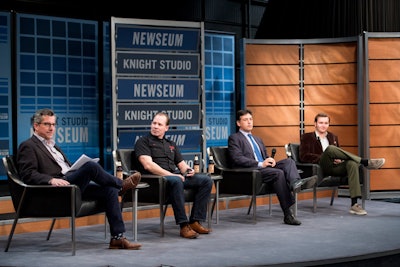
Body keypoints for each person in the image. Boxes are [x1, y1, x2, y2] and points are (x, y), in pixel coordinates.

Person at [17, 108, 142, 250]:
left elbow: (63, 168)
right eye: (47, 124)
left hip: (70, 184)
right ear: (36, 125)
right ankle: (121, 184)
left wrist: (75, 169)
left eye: (53, 124)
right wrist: (50, 180)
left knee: (109, 190)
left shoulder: (52, 145)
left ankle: (118, 238)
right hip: (55, 191)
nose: (51, 128)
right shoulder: (28, 146)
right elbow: (27, 174)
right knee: (90, 167)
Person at [228, 109, 317, 226]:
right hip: (251, 171)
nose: (249, 122)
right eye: (245, 120)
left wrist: (270, 160)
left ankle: (296, 183)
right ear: (238, 123)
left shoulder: (257, 139)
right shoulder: (234, 138)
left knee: (289, 162)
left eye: (250, 119)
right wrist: (260, 164)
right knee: (279, 173)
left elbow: (265, 157)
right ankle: (287, 214)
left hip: (264, 168)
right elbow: (237, 159)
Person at [134, 112, 213, 239]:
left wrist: (188, 170)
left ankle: (195, 221)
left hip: (173, 177)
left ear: (166, 128)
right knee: (176, 181)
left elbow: (181, 165)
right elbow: (148, 165)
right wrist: (172, 175)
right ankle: (183, 225)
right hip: (155, 182)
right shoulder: (143, 142)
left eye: (159, 124)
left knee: (206, 180)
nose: (155, 126)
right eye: (154, 123)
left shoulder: (170, 144)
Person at [299, 112, 385, 216]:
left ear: (328, 124)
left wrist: (339, 159)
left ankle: (354, 205)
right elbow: (304, 156)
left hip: (334, 167)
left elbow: (339, 153)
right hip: (320, 167)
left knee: (352, 163)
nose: (323, 125)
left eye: (326, 123)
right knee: (330, 149)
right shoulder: (307, 137)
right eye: (321, 122)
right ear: (315, 124)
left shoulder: (333, 137)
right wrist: (325, 157)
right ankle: (365, 162)